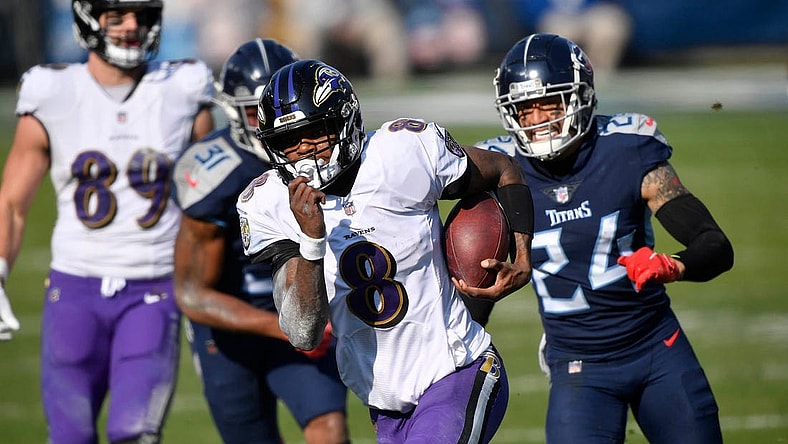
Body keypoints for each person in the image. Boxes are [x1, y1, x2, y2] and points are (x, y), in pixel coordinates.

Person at [236, 59, 534, 443]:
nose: (304, 151)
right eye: (288, 142)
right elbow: (302, 332)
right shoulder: (268, 203)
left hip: (457, 371)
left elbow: (504, 169)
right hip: (385, 407)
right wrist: (311, 242)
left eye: (315, 133)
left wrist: (522, 257)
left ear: (344, 121)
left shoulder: (402, 152)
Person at [475, 33, 734, 443]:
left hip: (657, 348)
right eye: (525, 108)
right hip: (578, 366)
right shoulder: (501, 173)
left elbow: (714, 244)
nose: (537, 119)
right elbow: (476, 291)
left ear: (579, 97)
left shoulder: (627, 149)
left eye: (549, 103)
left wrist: (674, 265)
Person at [0, 0, 214, 442]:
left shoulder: (182, 88)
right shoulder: (53, 91)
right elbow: (13, 203)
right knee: (70, 436)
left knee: (135, 434)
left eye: (141, 15)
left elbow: (213, 198)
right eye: (117, 16)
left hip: (153, 288)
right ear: (88, 19)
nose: (131, 26)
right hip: (74, 288)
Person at [172, 39, 350, 444]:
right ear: (234, 111)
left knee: (329, 429)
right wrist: (283, 327)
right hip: (232, 332)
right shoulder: (211, 175)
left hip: (304, 305)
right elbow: (192, 293)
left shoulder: (326, 155)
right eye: (256, 111)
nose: (270, 122)